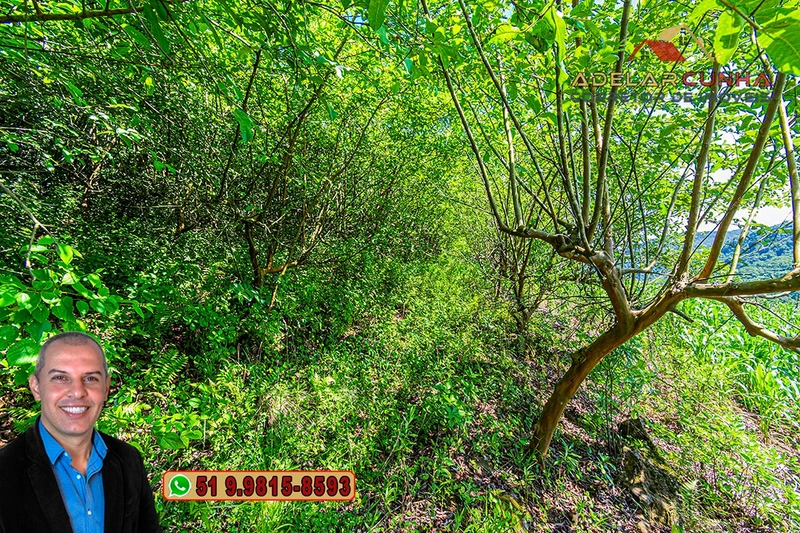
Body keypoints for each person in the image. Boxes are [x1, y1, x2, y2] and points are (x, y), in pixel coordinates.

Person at [0, 331, 162, 533]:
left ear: (105, 388)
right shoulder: (4, 471)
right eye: (60, 377)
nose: (77, 392)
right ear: (36, 387)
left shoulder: (128, 460)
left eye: (91, 378)